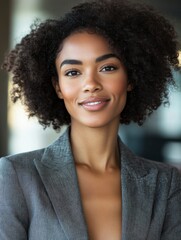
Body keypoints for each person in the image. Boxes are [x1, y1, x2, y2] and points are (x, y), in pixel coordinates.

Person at [0, 0, 181, 239]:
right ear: (57, 87)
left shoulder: (164, 184)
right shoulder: (15, 175)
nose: (91, 85)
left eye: (107, 68)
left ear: (131, 78)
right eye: (73, 72)